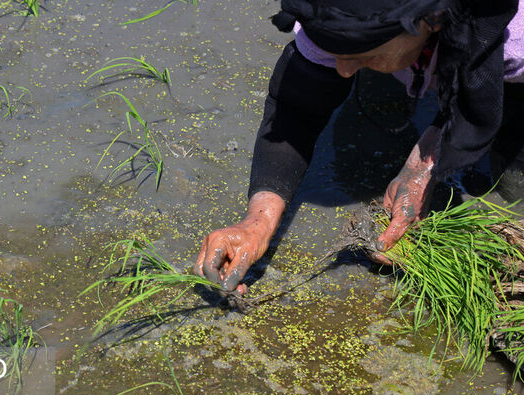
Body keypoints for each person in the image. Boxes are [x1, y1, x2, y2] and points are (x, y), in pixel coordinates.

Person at [195, 0, 524, 294]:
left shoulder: (514, 39)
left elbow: (491, 99)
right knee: (368, 85)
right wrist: (258, 221)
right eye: (336, 51)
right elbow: (296, 109)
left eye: (361, 55)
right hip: (404, 32)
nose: (344, 70)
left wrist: (428, 161)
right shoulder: (333, 10)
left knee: (513, 185)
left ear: (434, 18)